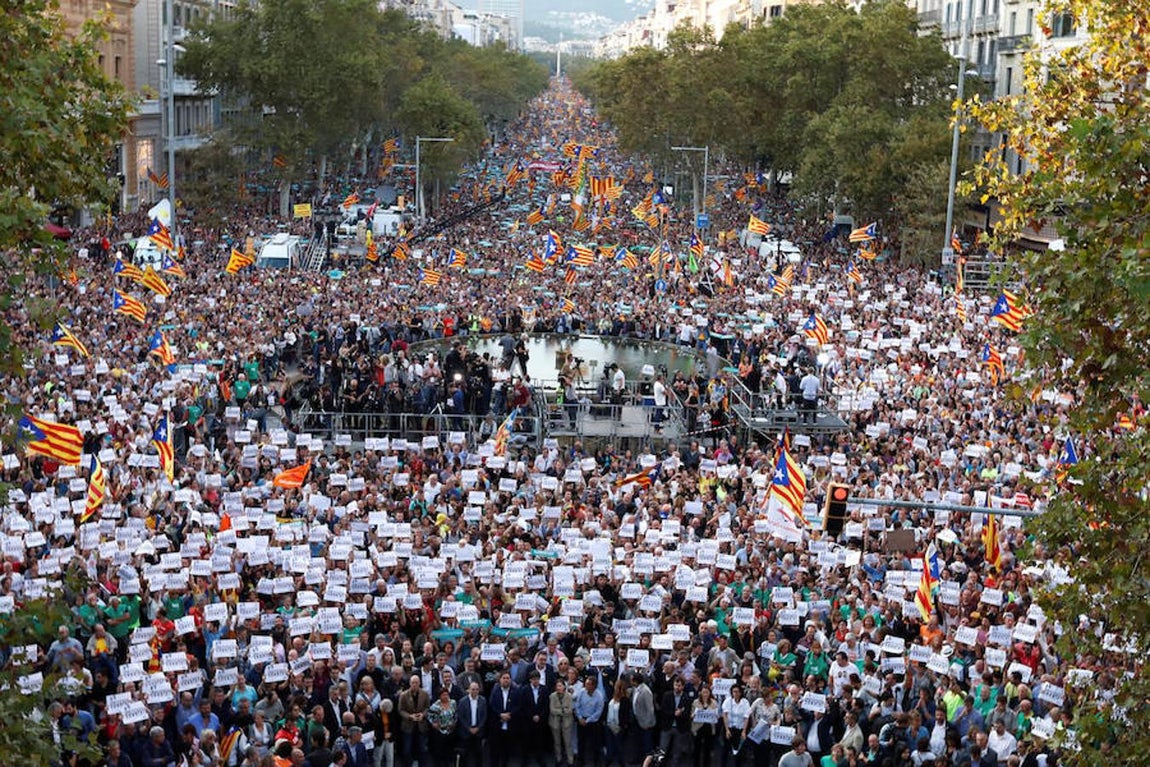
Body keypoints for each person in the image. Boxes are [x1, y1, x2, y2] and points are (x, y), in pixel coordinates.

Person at [690, 685, 720, 767]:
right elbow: (691, 716)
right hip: (698, 727)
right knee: (697, 749)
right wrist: (695, 714)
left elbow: (717, 717)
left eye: (707, 692)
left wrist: (716, 715)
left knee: (707, 750)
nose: (705, 694)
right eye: (703, 692)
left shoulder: (714, 703)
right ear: (700, 693)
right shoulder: (695, 702)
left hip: (709, 728)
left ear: (710, 693)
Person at [550, 678, 577, 767]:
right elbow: (552, 710)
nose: (558, 688)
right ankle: (558, 759)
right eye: (557, 686)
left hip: (567, 722)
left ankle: (570, 760)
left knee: (568, 742)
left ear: (564, 687)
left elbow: (570, 710)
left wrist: (560, 710)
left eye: (560, 686)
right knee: (557, 742)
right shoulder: (552, 696)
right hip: (555, 723)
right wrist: (562, 710)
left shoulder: (569, 696)